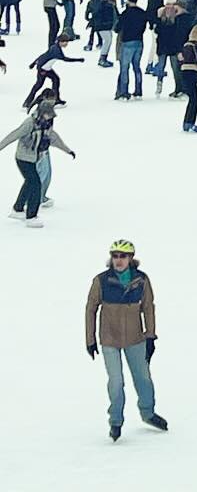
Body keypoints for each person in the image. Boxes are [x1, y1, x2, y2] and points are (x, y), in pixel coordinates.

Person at [85, 239, 167, 441]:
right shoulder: (101, 281)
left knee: (143, 378)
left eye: (123, 256)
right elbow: (91, 309)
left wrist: (150, 336)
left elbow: (148, 307)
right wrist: (90, 339)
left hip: (135, 338)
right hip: (109, 339)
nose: (118, 260)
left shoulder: (141, 280)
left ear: (131, 258)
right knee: (116, 381)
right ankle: (115, 421)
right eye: (115, 256)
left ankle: (148, 412)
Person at [3, 99, 74, 224]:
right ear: (42, 113)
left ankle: (18, 209)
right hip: (23, 158)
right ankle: (31, 216)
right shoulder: (29, 123)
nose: (49, 117)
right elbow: (14, 135)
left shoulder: (47, 124)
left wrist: (67, 150)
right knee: (35, 184)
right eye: (48, 115)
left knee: (30, 182)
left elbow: (53, 138)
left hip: (35, 158)